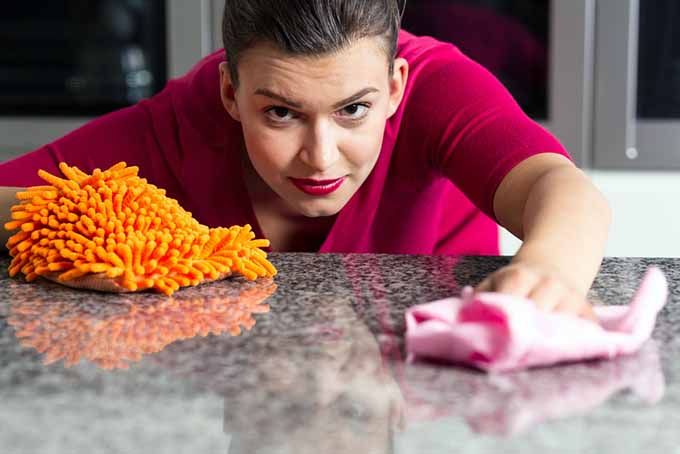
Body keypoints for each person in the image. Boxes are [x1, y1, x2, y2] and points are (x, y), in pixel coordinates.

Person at [0, 0, 610, 319]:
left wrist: (551, 269)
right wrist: (89, 231)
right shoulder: (182, 122)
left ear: (395, 87)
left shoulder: (439, 86)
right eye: (281, 114)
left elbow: (557, 186)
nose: (321, 158)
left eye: (353, 110)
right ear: (231, 94)